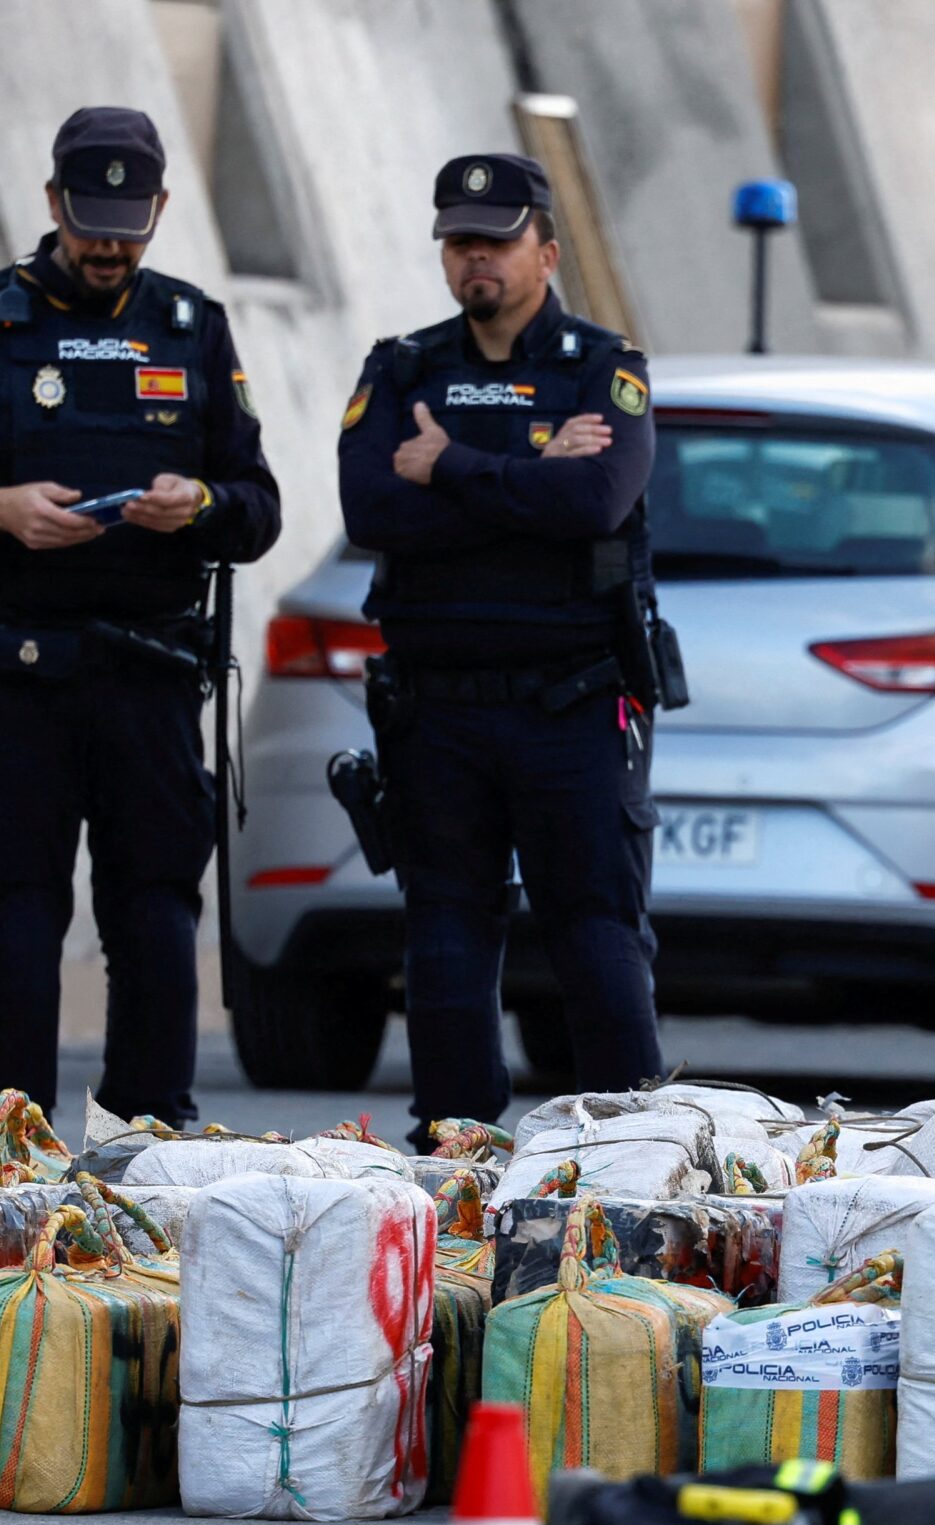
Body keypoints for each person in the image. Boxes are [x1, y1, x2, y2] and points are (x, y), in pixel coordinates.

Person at [0, 107, 280, 1128]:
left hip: (151, 679)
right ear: (54, 203)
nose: (109, 244)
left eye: (129, 222)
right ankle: (8, 1143)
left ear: (160, 212)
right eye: (92, 219)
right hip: (21, 677)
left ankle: (147, 1138)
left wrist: (204, 505)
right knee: (16, 919)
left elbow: (259, 505)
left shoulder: (192, 328)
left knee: (153, 919)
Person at [339, 152, 662, 1134]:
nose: (475, 258)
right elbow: (372, 505)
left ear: (546, 250)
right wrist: (527, 468)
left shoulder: (604, 369)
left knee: (595, 935)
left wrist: (452, 466)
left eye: (496, 240)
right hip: (439, 706)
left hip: (572, 702)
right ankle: (455, 1159)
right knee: (443, 937)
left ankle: (631, 1154)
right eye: (458, 242)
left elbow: (597, 499)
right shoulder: (403, 367)